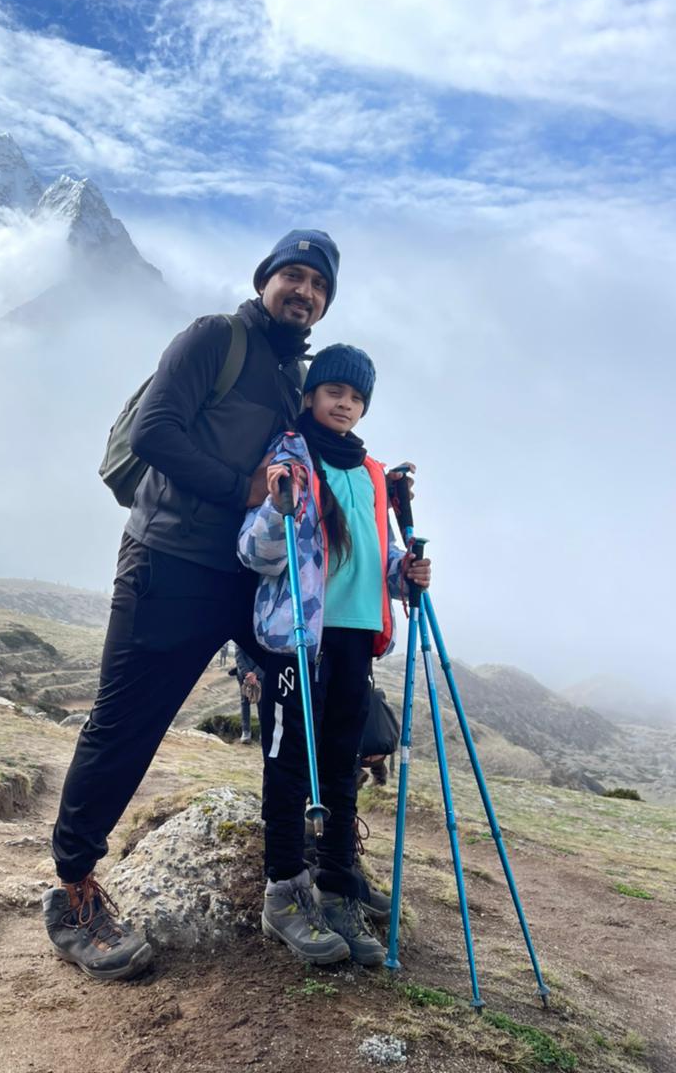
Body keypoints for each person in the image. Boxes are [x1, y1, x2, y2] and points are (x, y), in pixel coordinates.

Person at [43, 230, 341, 982]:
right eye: (292, 277)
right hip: (167, 562)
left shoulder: (286, 372)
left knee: (301, 707)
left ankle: (293, 881)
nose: (302, 292)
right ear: (266, 280)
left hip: (246, 578)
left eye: (318, 284)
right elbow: (155, 432)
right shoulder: (218, 337)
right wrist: (240, 488)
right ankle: (73, 893)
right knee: (126, 726)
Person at [237, 344, 431, 967]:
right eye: (334, 392)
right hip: (299, 638)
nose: (344, 403)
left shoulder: (372, 472)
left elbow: (372, 561)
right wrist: (276, 506)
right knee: (292, 763)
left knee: (345, 762)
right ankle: (284, 891)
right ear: (312, 395)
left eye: (356, 396)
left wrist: (408, 573)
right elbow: (256, 554)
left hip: (353, 635)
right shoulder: (289, 459)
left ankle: (337, 882)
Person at [233, 643, 263, 744]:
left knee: (262, 704)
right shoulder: (241, 635)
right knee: (245, 703)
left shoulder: (263, 637)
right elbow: (238, 656)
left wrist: (255, 674)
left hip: (260, 675)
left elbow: (265, 656)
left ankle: (263, 733)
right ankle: (246, 732)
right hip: (243, 676)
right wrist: (248, 674)